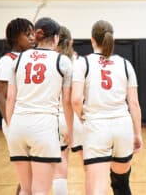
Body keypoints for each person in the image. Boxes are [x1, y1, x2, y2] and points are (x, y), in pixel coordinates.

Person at [71, 20, 142, 195]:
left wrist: (82, 116)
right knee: (121, 184)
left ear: (92, 39)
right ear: (112, 38)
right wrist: (138, 133)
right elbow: (134, 103)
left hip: (96, 127)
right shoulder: (125, 64)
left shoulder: (83, 63)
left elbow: (75, 100)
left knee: (98, 188)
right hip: (122, 127)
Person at [5, 17, 73, 195]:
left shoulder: (18, 60)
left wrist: (12, 127)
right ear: (56, 38)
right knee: (40, 191)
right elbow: (66, 101)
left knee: (25, 190)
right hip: (44, 127)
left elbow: (10, 97)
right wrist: (71, 130)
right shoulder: (63, 61)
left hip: (18, 125)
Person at [0, 17, 35, 195]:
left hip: (31, 120)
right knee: (28, 175)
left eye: (33, 33)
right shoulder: (7, 60)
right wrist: (11, 123)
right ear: (14, 37)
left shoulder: (31, 57)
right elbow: (1, 95)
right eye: (27, 34)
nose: (32, 37)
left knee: (32, 175)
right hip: (16, 120)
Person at [53, 26, 84, 195]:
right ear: (71, 42)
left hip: (57, 117)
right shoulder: (80, 62)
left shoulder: (52, 62)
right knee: (89, 166)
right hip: (78, 116)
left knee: (60, 167)